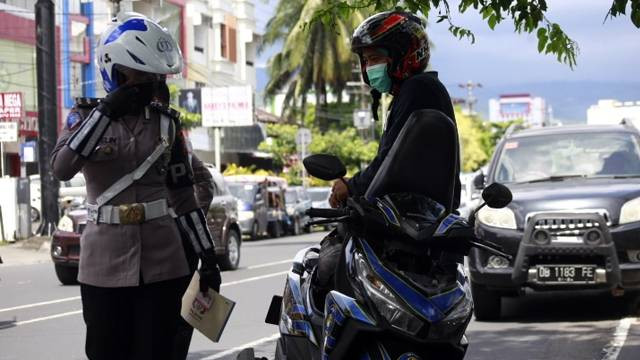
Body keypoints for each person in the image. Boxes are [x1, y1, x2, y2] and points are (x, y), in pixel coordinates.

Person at [50, 12, 221, 360]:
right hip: (103, 265)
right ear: (115, 71)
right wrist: (106, 113)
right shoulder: (84, 118)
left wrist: (208, 257)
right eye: (138, 74)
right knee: (106, 352)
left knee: (159, 352)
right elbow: (62, 168)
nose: (148, 83)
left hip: (164, 263)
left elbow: (184, 196)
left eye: (152, 76)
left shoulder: (167, 125)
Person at [315, 11, 461, 290]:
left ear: (403, 56)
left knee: (329, 269)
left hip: (415, 226)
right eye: (366, 61)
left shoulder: (419, 90)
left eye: (375, 59)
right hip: (416, 225)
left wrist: (351, 185)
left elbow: (392, 161)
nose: (369, 67)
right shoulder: (419, 90)